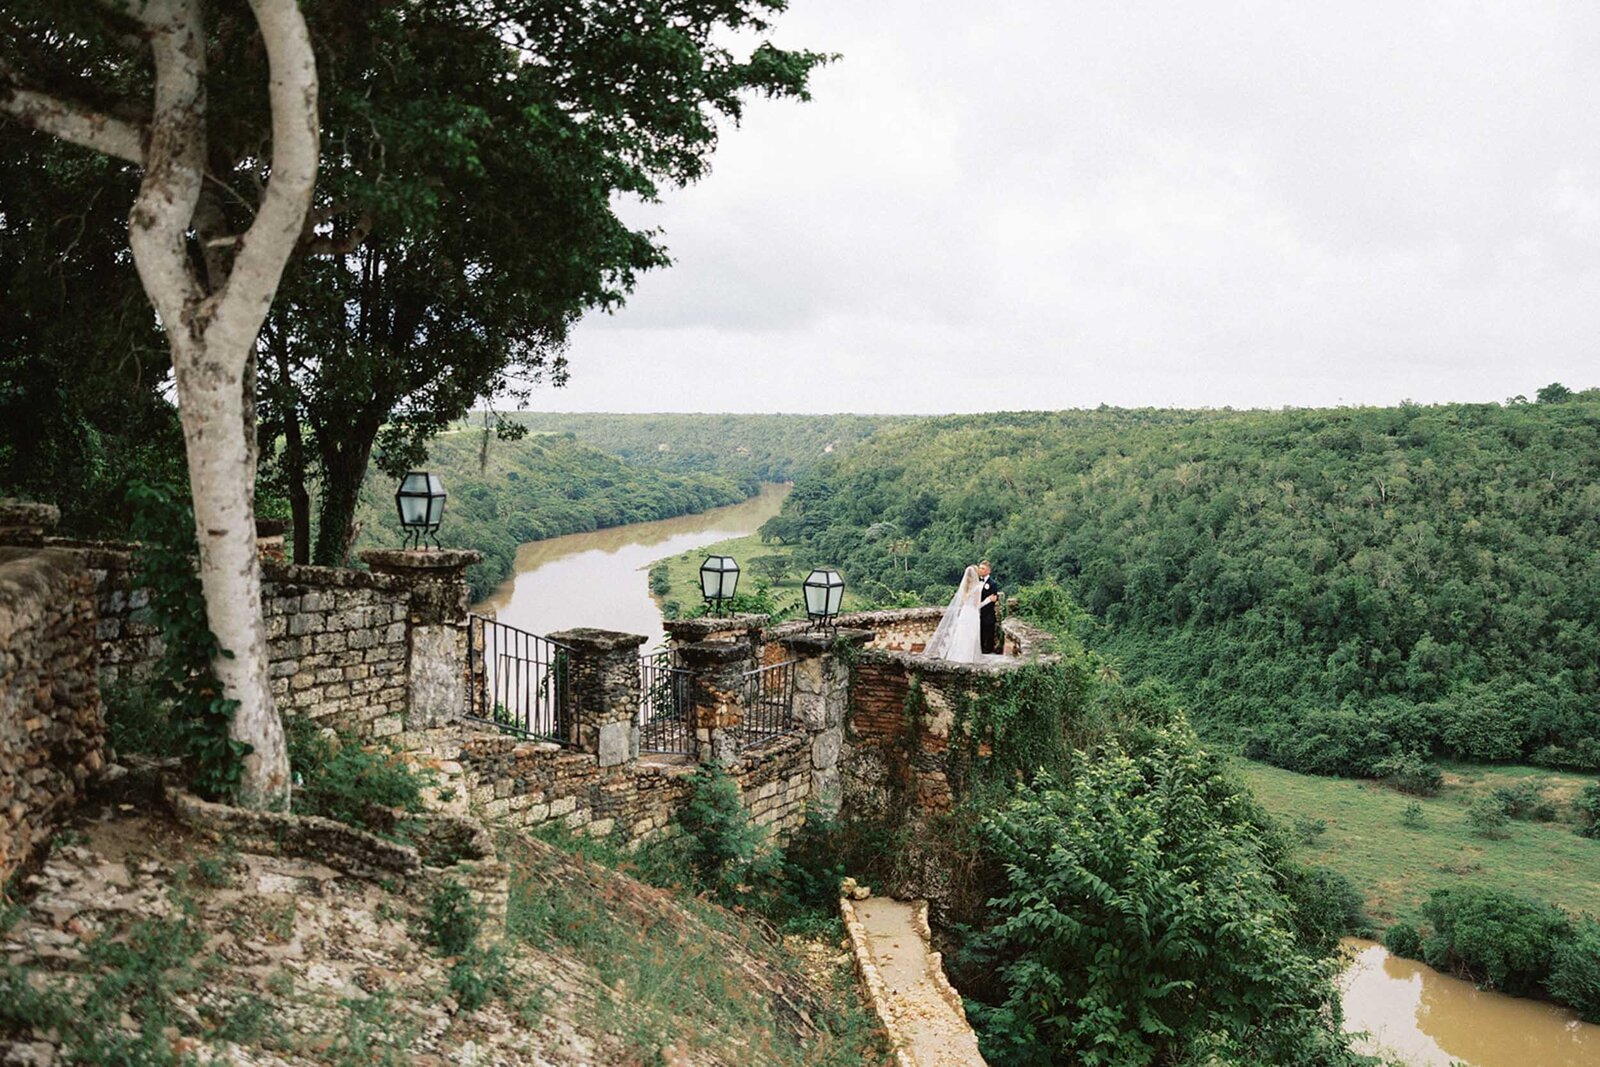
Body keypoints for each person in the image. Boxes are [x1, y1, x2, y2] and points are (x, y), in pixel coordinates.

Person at [923, 564, 985, 663]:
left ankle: (957, 657)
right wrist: (988, 601)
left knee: (961, 636)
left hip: (964, 613)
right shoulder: (977, 588)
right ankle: (968, 658)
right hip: (972, 614)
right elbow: (976, 605)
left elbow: (963, 602)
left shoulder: (964, 588)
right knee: (970, 636)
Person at [977, 560, 1001, 655]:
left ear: (988, 571)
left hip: (988, 614)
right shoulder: (977, 581)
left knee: (989, 635)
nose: (980, 570)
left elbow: (994, 599)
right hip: (976, 613)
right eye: (980, 568)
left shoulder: (992, 584)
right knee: (979, 636)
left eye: (983, 569)